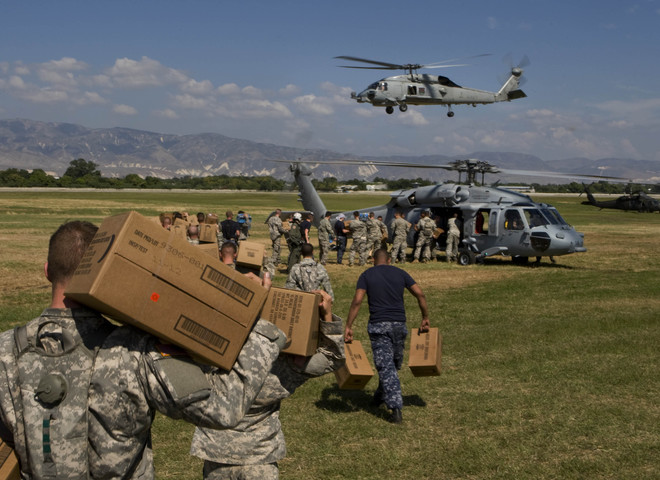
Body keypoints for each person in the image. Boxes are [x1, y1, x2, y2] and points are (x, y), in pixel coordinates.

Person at [0, 220, 285, 479]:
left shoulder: (5, 351)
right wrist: (263, 324)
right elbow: (224, 408)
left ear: (48, 271)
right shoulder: (132, 349)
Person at [191, 289, 343, 480]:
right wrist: (326, 316)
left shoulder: (212, 360)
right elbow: (332, 358)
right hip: (260, 458)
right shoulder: (283, 369)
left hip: (217, 456)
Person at [344, 248, 430, 424]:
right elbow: (420, 293)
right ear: (389, 260)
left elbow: (358, 300)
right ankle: (380, 397)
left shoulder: (366, 275)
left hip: (379, 326)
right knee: (392, 364)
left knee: (388, 366)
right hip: (399, 325)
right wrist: (425, 317)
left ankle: (395, 407)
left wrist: (349, 325)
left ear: (373, 260)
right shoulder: (400, 273)